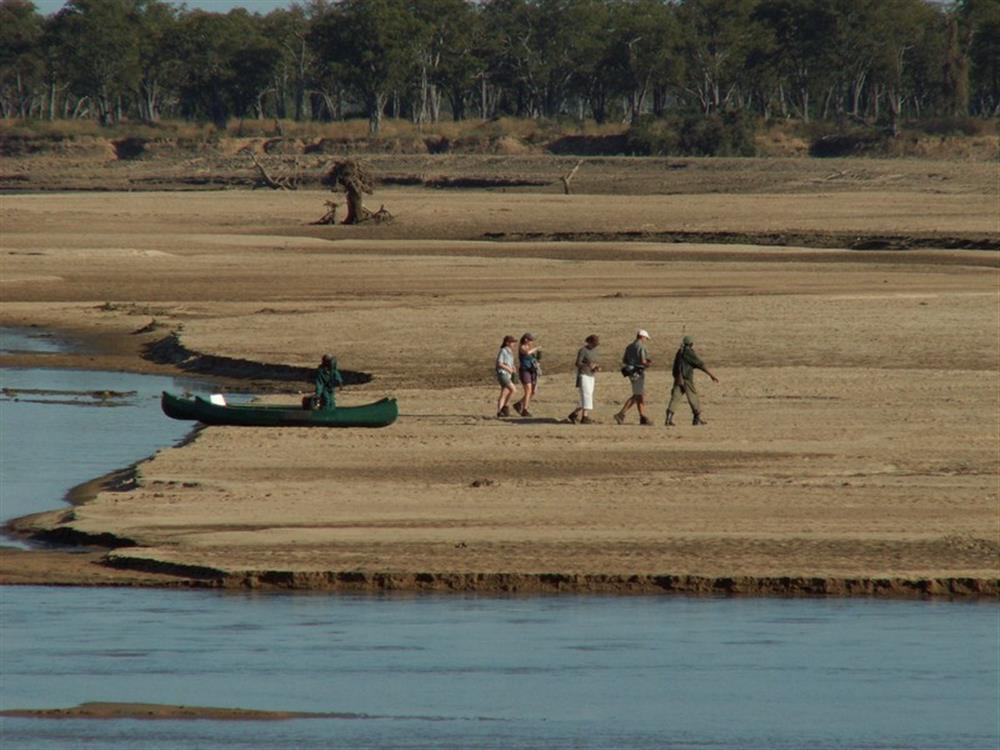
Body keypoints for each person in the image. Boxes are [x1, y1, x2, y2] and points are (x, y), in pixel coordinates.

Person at [667, 335, 719, 426]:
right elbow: (700, 364)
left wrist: (676, 378)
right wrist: (711, 375)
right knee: (693, 397)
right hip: (687, 379)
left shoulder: (679, 352)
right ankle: (696, 419)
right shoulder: (689, 353)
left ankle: (668, 419)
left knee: (675, 398)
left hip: (678, 379)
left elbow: (675, 367)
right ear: (691, 344)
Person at [614, 329, 653, 425]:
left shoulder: (629, 346)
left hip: (630, 372)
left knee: (639, 396)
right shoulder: (641, 347)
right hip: (638, 373)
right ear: (642, 337)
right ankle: (621, 414)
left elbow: (624, 360)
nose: (645, 340)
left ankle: (642, 417)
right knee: (637, 395)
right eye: (645, 338)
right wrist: (648, 363)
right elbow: (643, 361)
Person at [567, 334, 601, 424]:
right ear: (589, 342)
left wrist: (596, 367)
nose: (595, 345)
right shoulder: (583, 350)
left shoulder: (595, 351)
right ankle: (584, 416)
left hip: (591, 375)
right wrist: (588, 365)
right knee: (587, 395)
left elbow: (595, 362)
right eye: (594, 343)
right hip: (583, 375)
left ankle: (574, 414)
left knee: (587, 396)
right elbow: (578, 363)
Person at [513, 332, 541, 417]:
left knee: (533, 391)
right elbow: (527, 353)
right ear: (526, 340)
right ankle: (525, 409)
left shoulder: (529, 347)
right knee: (528, 390)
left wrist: (537, 362)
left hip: (532, 370)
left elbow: (532, 358)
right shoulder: (522, 347)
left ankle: (519, 404)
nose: (531, 342)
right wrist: (536, 349)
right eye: (530, 340)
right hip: (525, 371)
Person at [495, 334, 518, 418]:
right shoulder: (503, 351)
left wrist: (513, 367)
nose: (514, 344)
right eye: (512, 342)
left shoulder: (509, 351)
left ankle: (499, 411)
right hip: (503, 374)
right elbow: (499, 363)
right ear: (507, 342)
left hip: (508, 374)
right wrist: (508, 368)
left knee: (504, 393)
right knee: (513, 390)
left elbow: (509, 362)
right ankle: (505, 406)